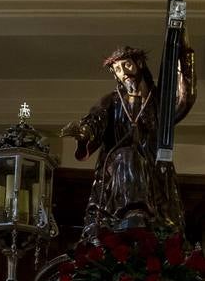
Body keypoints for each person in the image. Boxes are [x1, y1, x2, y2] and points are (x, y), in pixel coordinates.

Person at [60, 40, 196, 240]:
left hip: (153, 165)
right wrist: (84, 133)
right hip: (118, 166)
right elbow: (95, 120)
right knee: (127, 154)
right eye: (117, 69)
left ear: (139, 64)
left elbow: (184, 98)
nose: (123, 72)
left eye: (127, 65)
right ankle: (133, 210)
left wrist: (184, 56)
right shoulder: (111, 101)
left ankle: (149, 214)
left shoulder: (159, 100)